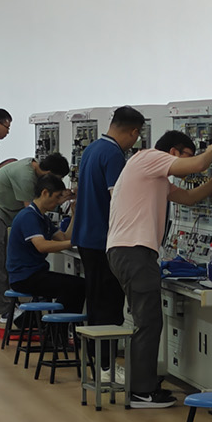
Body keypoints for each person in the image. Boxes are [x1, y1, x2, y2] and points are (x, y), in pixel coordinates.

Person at [105, 129, 212, 409]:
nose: (186, 164)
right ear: (173, 152)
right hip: (134, 251)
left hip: (129, 251)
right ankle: (141, 392)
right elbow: (198, 165)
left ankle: (142, 385)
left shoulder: (156, 178)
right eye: (185, 156)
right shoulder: (149, 158)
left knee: (148, 321)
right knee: (148, 322)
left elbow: (190, 198)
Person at [0, 150, 69, 326]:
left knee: (3, 262)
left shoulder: (32, 168)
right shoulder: (26, 177)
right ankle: (5, 311)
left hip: (3, 214)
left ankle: (13, 306)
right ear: (49, 174)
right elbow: (32, 211)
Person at [72, 106, 143, 325]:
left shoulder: (92, 149)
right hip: (102, 240)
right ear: (134, 132)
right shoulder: (113, 154)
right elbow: (118, 199)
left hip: (86, 237)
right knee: (109, 305)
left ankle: (95, 345)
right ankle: (106, 347)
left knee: (96, 300)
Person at [7, 174, 88, 312]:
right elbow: (42, 246)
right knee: (76, 286)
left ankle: (53, 323)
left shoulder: (42, 218)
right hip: (25, 277)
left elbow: (63, 237)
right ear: (45, 193)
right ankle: (58, 324)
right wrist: (73, 243)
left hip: (34, 273)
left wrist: (74, 215)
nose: (58, 202)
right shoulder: (29, 216)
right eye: (56, 197)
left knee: (76, 285)